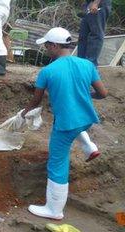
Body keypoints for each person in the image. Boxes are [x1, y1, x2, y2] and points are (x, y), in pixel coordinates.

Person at [22, 27, 107, 220]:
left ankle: (54, 210)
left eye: (46, 46)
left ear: (54, 46)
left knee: (57, 162)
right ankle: (89, 146)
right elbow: (103, 93)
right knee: (74, 127)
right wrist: (85, 95)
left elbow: (36, 100)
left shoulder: (48, 71)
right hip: (85, 119)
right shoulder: (87, 65)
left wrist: (24, 113)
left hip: (66, 124)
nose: (45, 49)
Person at [77, 0, 112, 66]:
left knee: (96, 35)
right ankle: (81, 65)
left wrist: (96, 2)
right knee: (83, 36)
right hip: (89, 3)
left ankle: (90, 65)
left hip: (98, 4)